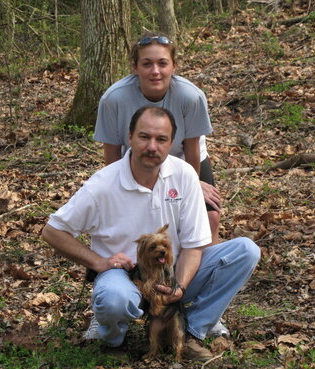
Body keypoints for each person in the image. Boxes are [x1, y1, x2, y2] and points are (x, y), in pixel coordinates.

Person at [42, 107, 260, 361]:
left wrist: (180, 286)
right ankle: (113, 342)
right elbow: (52, 230)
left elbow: (193, 245)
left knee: (245, 251)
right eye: (144, 137)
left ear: (171, 143)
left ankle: (190, 332)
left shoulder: (184, 175)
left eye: (161, 139)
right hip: (125, 277)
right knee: (114, 298)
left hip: (169, 273)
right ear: (130, 137)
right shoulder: (102, 185)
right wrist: (97, 261)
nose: (152, 146)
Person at [94, 32, 221, 245]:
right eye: (147, 64)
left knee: (210, 216)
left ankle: (207, 267)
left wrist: (194, 184)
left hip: (185, 159)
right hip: (140, 160)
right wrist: (118, 192)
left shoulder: (190, 96)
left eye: (162, 63)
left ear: (174, 66)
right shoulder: (114, 99)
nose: (155, 71)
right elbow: (112, 153)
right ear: (135, 67)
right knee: (144, 217)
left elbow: (191, 147)